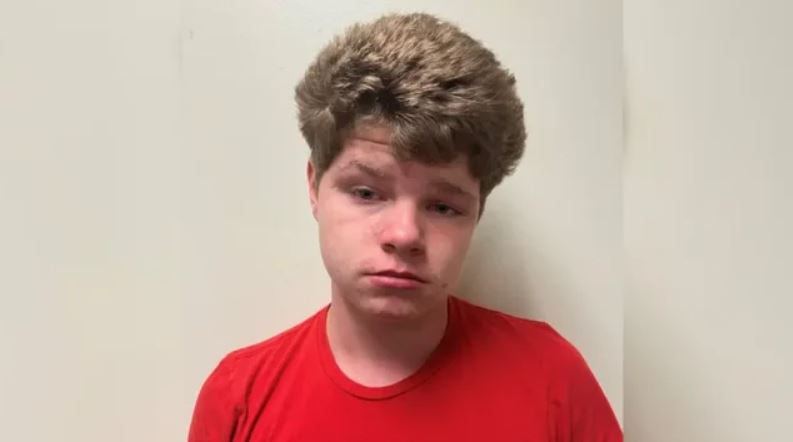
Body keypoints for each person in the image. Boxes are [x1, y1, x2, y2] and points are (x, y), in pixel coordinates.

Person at [188, 12, 622, 441]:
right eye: (366, 193)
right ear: (314, 186)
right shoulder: (238, 400)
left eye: (443, 207)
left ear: (478, 212)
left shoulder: (552, 381)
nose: (404, 235)